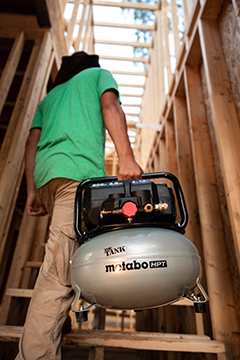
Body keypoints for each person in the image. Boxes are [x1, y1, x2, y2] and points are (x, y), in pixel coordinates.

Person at [15, 51, 142, 359]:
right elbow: (110, 106)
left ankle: (61, 321)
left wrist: (32, 189)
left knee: (73, 251)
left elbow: (33, 140)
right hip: (78, 176)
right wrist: (126, 157)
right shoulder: (98, 76)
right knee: (58, 271)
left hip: (48, 177)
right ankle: (36, 354)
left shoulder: (52, 96)